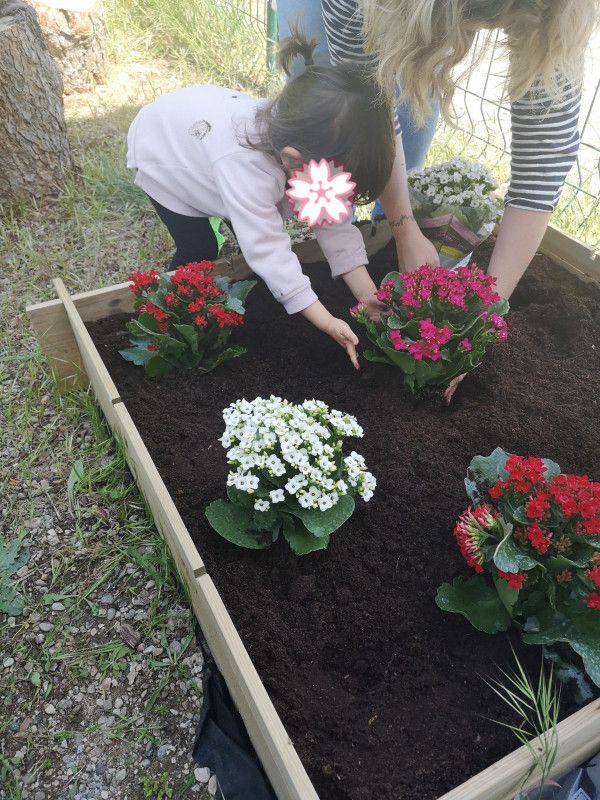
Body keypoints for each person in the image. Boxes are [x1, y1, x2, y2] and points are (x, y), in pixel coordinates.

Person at [284, 0, 596, 300]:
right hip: (364, 10)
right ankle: (330, 239)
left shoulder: (557, 12)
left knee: (414, 104)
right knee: (325, 108)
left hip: (422, 12)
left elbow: (545, 154)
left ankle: (380, 237)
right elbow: (365, 105)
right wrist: (405, 231)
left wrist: (488, 305)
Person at [126, 33, 395, 370]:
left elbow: (331, 222)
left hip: (201, 134)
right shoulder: (246, 168)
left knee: (250, 227)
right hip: (168, 154)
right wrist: (327, 322)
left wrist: (368, 298)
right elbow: (267, 249)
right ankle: (167, 313)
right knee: (200, 249)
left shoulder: (303, 134)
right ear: (293, 160)